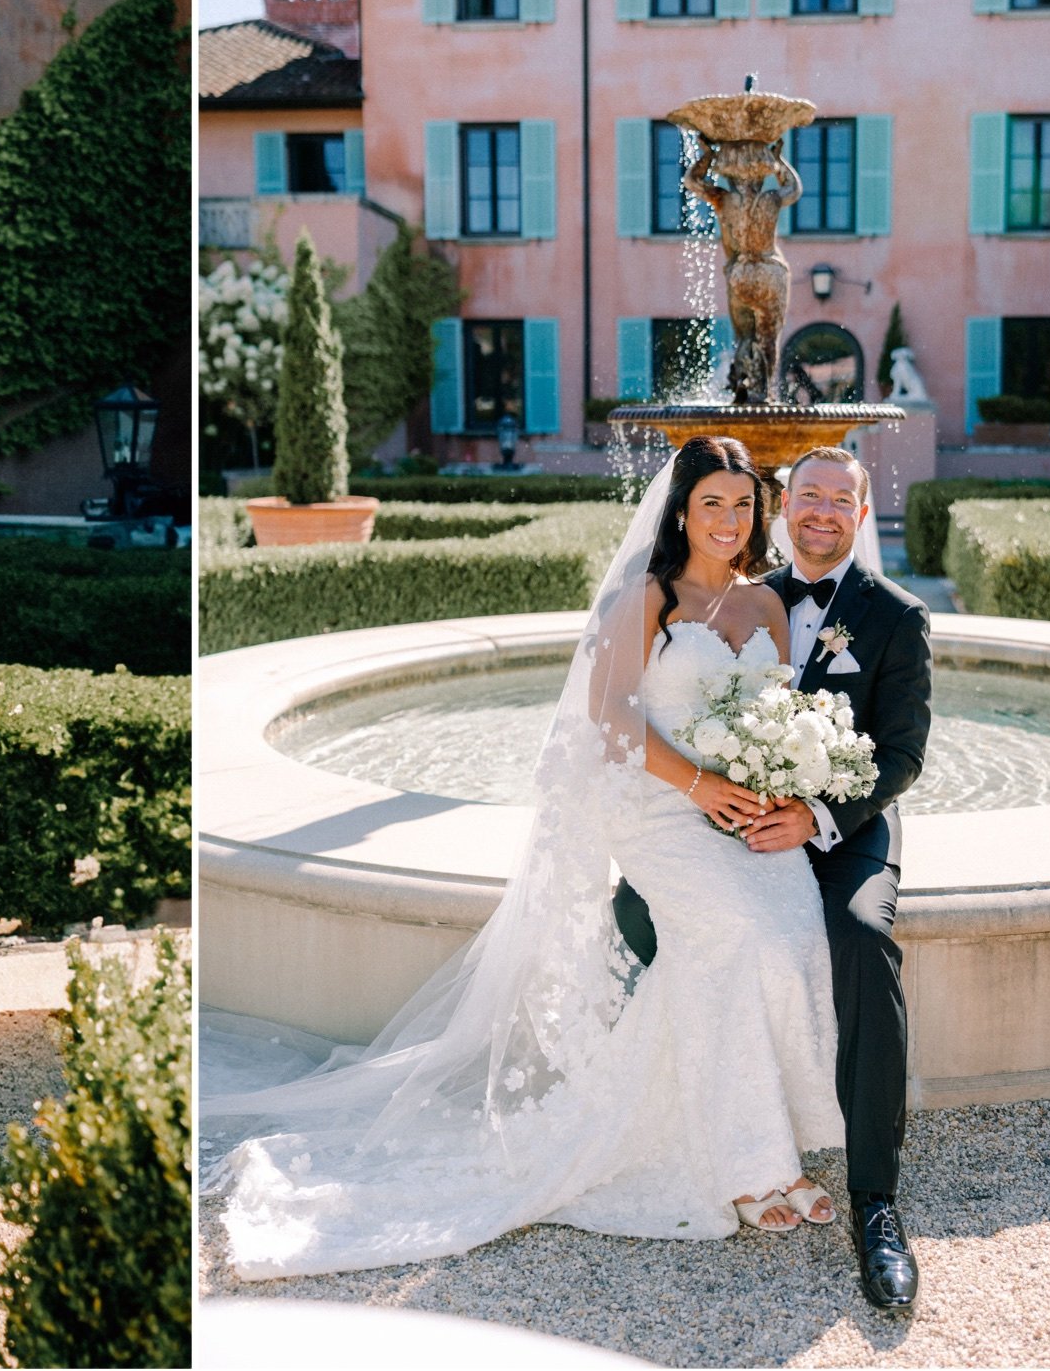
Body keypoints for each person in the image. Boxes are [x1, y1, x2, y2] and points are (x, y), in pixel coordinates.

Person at [206, 436, 849, 1280]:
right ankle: (751, 1162)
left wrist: (766, 782)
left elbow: (772, 715)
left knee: (792, 918)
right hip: (657, 806)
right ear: (681, 512)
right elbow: (611, 716)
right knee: (728, 928)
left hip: (738, 805)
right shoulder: (645, 597)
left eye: (741, 505)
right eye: (711, 505)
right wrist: (698, 785)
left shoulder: (765, 605)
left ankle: (787, 1120)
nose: (729, 521)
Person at [619, 445, 931, 1310]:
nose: (823, 511)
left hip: (845, 826)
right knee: (646, 914)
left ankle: (875, 1200)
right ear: (784, 506)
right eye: (809, 495)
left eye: (843, 499)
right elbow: (637, 712)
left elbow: (902, 754)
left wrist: (818, 816)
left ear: (862, 516)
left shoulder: (896, 615)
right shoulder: (743, 589)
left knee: (858, 938)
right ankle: (720, 1131)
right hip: (717, 820)